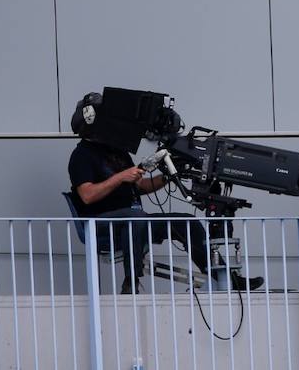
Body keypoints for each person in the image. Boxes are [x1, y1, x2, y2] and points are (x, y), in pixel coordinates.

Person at [67, 94, 264, 295]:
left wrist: (168, 176)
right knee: (134, 216)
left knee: (186, 223)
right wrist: (120, 177)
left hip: (136, 221)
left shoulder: (117, 152)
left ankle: (227, 279)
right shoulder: (82, 155)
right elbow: (87, 195)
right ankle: (131, 281)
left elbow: (141, 186)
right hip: (103, 226)